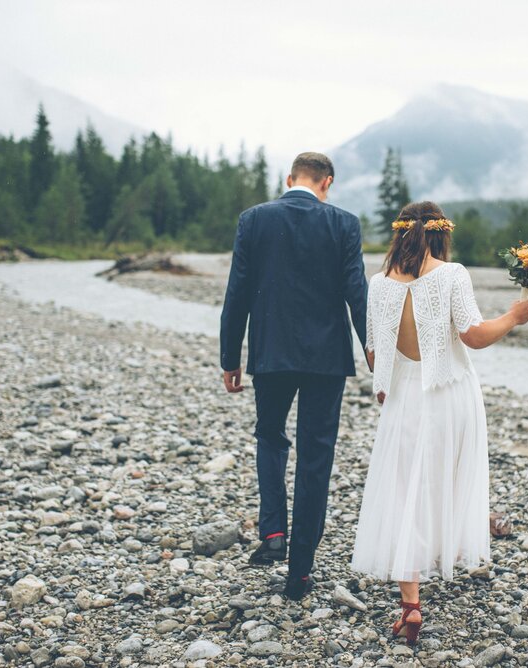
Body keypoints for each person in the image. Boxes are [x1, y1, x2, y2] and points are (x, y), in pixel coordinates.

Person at [351, 200, 528, 644]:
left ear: (399, 234)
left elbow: (375, 354)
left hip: (404, 396)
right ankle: (438, 555)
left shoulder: (378, 284)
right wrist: (513, 317)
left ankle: (410, 604)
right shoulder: (453, 275)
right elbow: (473, 335)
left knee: (402, 490)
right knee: (437, 485)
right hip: (450, 394)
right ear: (440, 233)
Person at [220, 151, 368, 601]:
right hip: (326, 358)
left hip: (271, 353)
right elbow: (356, 292)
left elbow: (237, 291)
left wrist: (231, 357)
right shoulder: (344, 224)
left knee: (269, 436)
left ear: (290, 179)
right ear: (328, 183)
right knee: (315, 458)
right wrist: (375, 352)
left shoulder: (254, 220)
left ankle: (272, 534)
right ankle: (300, 572)